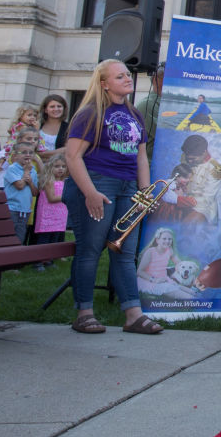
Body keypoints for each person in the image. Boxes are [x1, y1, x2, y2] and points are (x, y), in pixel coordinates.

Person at [62, 60, 162, 335]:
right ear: (104, 83)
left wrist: (144, 193)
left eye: (128, 75)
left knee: (125, 252)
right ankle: (84, 313)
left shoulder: (134, 113)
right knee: (90, 250)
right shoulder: (90, 113)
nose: (127, 79)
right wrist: (90, 192)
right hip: (97, 183)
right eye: (120, 76)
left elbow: (141, 156)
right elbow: (72, 156)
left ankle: (133, 315)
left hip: (128, 187)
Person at [1, 134, 41, 245]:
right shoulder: (12, 168)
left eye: (31, 153)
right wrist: (26, 172)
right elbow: (20, 185)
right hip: (12, 208)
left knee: (20, 237)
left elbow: (34, 192)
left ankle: (16, 260)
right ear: (15, 155)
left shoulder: (32, 170)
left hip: (25, 210)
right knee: (9, 236)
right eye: (24, 152)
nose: (28, 155)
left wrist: (31, 182)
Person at [32, 151, 70, 269]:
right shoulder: (49, 181)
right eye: (57, 166)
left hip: (60, 216)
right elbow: (52, 198)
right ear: (50, 167)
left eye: (63, 166)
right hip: (47, 216)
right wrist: (67, 196)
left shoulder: (65, 182)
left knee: (54, 238)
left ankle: (48, 260)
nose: (60, 169)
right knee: (45, 239)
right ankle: (38, 261)